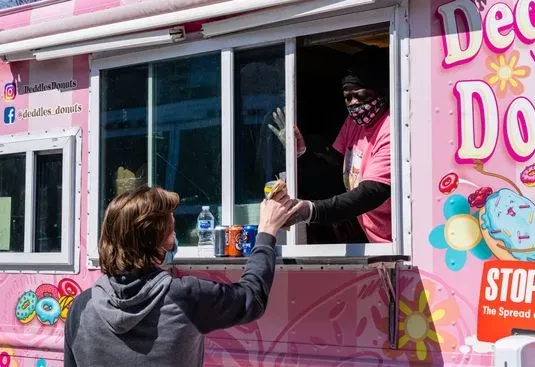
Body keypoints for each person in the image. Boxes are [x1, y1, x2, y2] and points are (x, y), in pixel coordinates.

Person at [64, 186, 303, 367]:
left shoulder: (80, 307)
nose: (175, 238)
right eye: (172, 229)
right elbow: (252, 297)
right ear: (159, 241)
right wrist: (267, 232)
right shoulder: (185, 296)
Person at [268, 46, 392, 243]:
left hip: (395, 242)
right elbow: (333, 177)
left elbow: (371, 193)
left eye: (361, 96)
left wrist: (312, 210)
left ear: (382, 93)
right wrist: (302, 154)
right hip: (370, 238)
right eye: (348, 97)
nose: (353, 103)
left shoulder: (391, 128)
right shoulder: (352, 124)